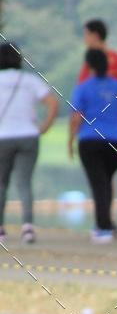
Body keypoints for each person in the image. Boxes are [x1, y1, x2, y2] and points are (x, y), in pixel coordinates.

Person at [69, 48, 117, 243]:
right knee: (105, 182)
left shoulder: (83, 87)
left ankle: (103, 228)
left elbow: (76, 117)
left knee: (99, 184)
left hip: (90, 140)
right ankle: (106, 223)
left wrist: (70, 140)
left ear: (88, 66)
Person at [0, 42, 58, 243]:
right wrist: (43, 128)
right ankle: (27, 228)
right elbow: (52, 103)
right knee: (24, 182)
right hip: (28, 136)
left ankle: (1, 230)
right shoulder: (30, 80)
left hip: (2, 137)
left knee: (1, 183)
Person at [77, 19, 117, 101]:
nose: (84, 40)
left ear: (95, 36)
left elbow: (81, 95)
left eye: (86, 35)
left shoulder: (91, 65)